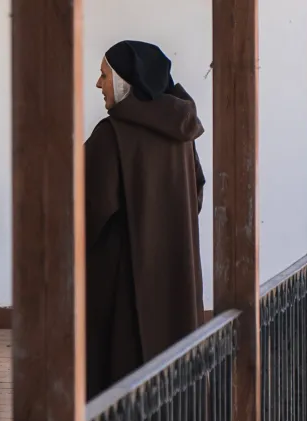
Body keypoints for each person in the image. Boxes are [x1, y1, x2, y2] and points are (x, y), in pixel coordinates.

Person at [85, 40, 206, 400]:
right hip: (178, 278)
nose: (98, 84)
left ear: (125, 81)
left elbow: (80, 211)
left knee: (126, 384)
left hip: (124, 287)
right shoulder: (181, 134)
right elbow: (196, 194)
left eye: (104, 75)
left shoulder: (111, 136)